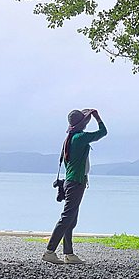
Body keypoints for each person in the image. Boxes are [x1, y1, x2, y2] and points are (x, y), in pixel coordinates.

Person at [42, 108, 107, 264]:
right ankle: (49, 251)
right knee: (67, 217)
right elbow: (102, 132)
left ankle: (69, 254)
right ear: (82, 123)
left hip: (71, 182)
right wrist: (97, 117)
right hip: (76, 182)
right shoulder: (79, 138)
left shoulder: (70, 138)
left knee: (71, 219)